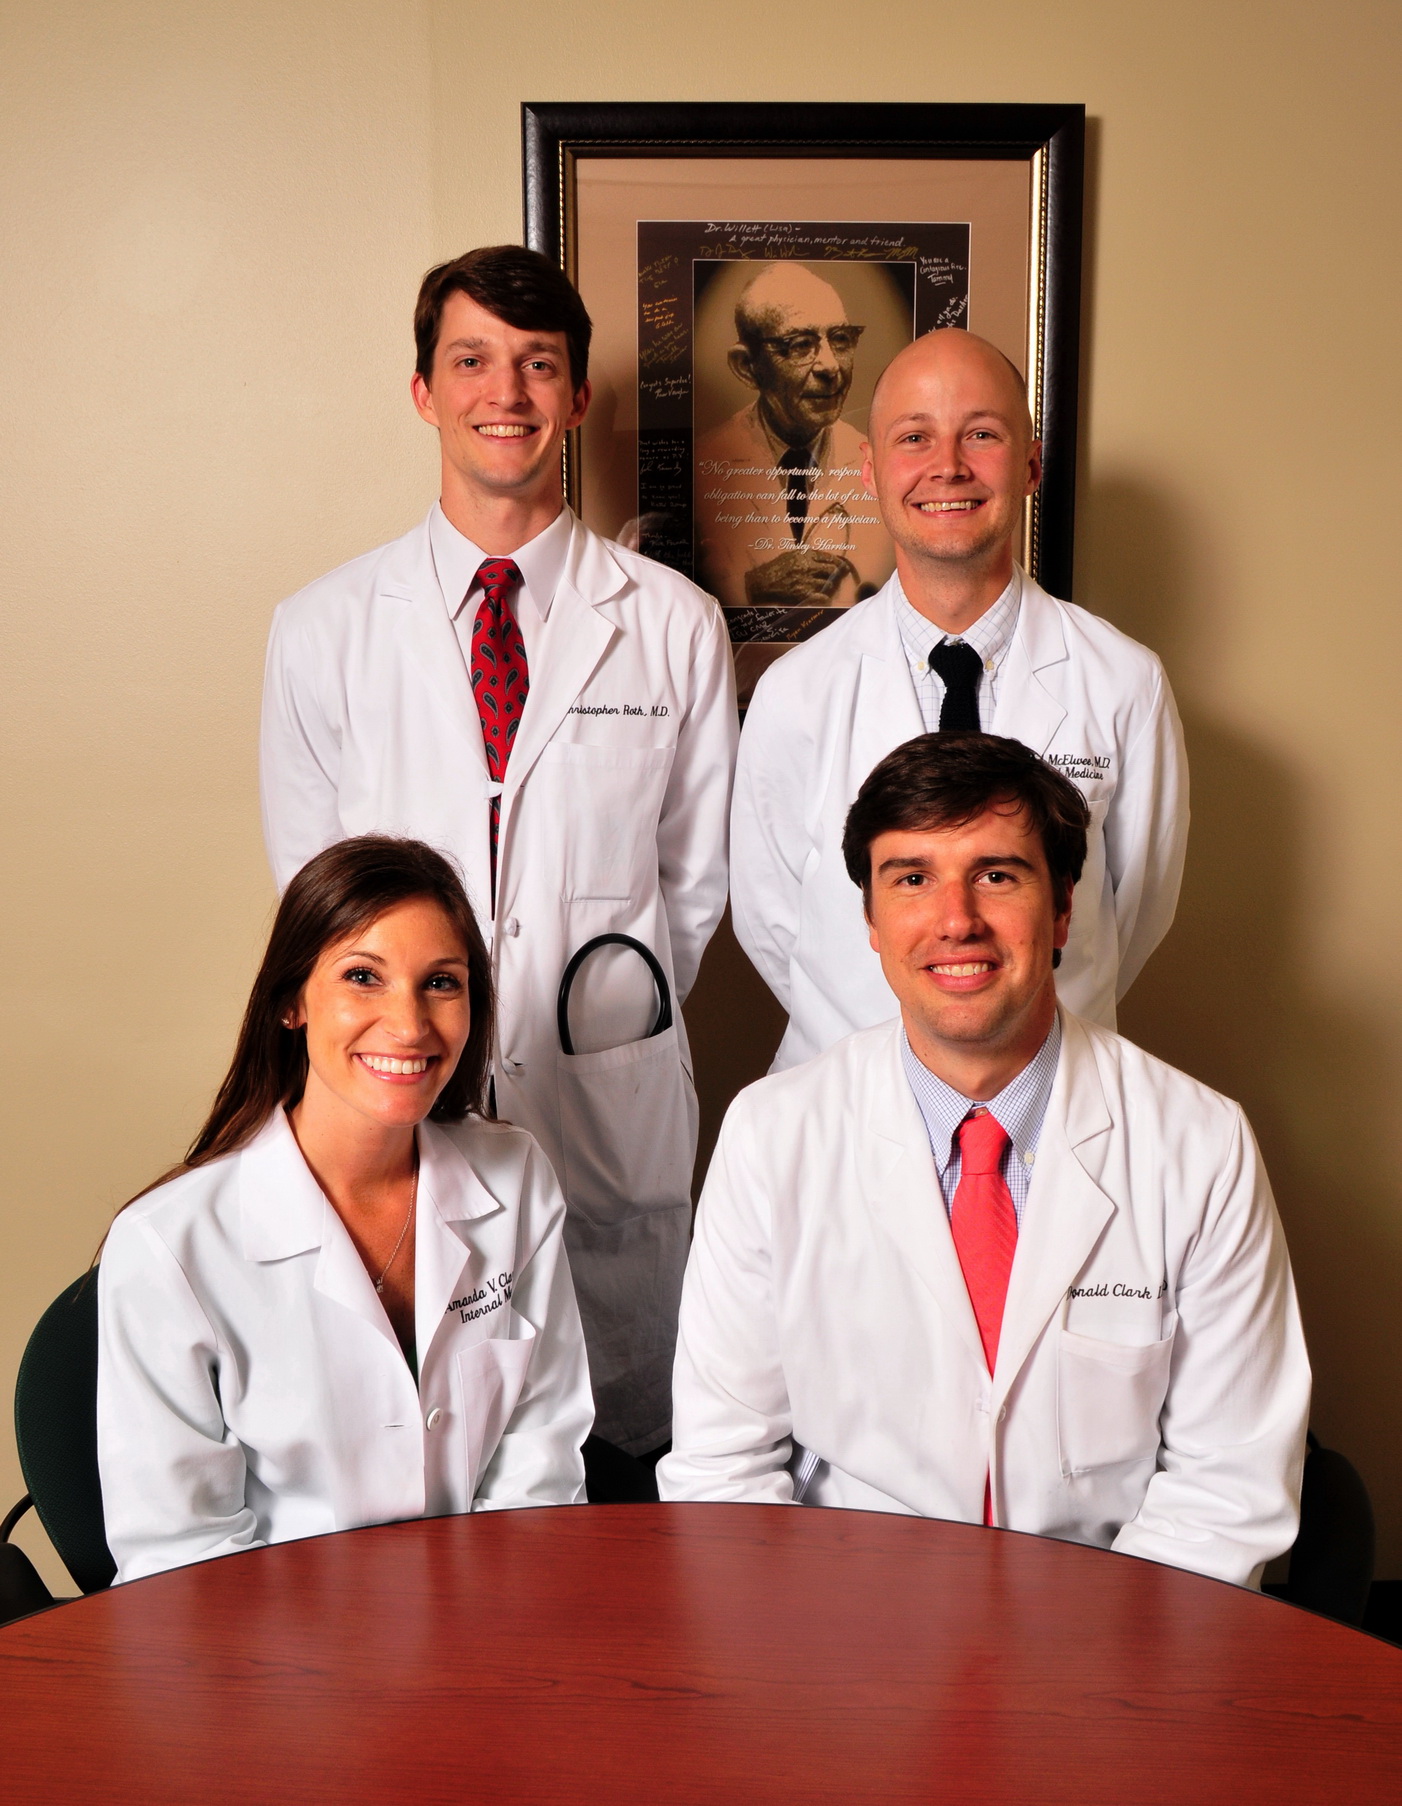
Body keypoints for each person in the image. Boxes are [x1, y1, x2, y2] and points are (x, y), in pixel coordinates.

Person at [260, 247, 737, 1467]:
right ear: (424, 390)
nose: (505, 392)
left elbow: (691, 886)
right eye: (471, 361)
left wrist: (593, 1010)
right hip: (395, 1083)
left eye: (537, 365)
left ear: (578, 398)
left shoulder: (672, 623)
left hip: (601, 1092)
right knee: (418, 1436)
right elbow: (314, 900)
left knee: (613, 1456)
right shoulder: (323, 629)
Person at [661, 735, 1309, 1588]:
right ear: (871, 922)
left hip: (1112, 1618)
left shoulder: (1200, 1144)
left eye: (997, 875)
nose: (956, 919)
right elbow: (724, 1468)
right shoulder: (771, 1135)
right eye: (912, 879)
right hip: (843, 1617)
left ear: (1064, 909)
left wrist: (1095, 1659)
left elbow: (1225, 1489)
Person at [98, 837, 593, 1583]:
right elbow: (181, 1560)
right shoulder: (167, 1247)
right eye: (364, 977)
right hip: (270, 1643)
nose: (409, 1025)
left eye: (442, 982)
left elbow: (540, 1464)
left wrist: (485, 1633)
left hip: (493, 1618)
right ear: (291, 1002)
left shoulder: (515, 1177)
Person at [730, 327, 1188, 1069]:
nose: (947, 466)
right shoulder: (794, 693)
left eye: (981, 434)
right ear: (870, 470)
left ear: (1031, 462)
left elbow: (1134, 914)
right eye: (915, 437)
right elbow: (769, 920)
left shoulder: (1126, 684)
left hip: (1052, 1092)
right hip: (848, 1090)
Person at [695, 262, 893, 615]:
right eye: (801, 345)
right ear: (747, 367)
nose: (831, 366)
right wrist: (749, 586)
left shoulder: (881, 466)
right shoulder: (700, 466)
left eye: (840, 340)